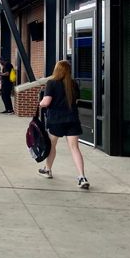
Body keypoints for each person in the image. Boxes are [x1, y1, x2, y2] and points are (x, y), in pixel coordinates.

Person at [38, 60, 89, 189]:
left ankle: (48, 169)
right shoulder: (73, 84)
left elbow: (46, 102)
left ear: (57, 70)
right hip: (72, 119)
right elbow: (76, 101)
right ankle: (81, 177)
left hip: (56, 120)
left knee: (52, 146)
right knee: (74, 148)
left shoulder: (52, 83)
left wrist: (40, 103)